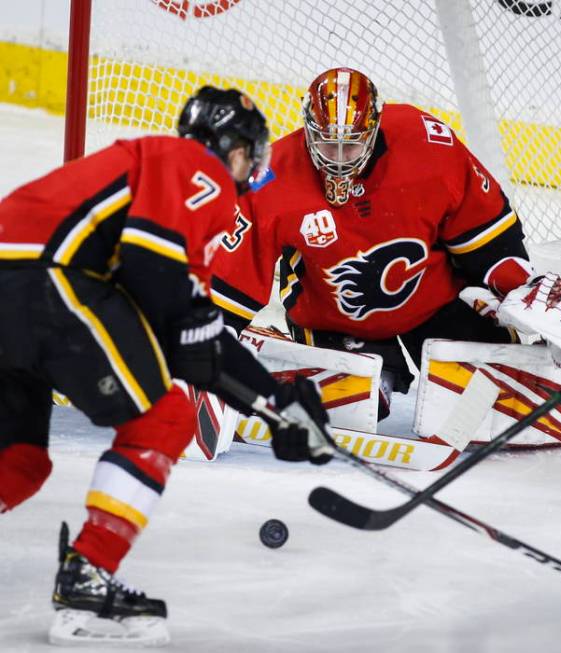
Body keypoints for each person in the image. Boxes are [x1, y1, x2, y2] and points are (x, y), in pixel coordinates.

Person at [0, 86, 330, 647]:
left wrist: (274, 406)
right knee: (166, 419)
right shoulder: (194, 168)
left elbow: (192, 337)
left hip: (21, 283)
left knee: (21, 462)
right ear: (231, 151)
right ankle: (89, 573)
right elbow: (165, 292)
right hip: (48, 282)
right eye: (251, 155)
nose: (253, 169)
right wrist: (275, 405)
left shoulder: (152, 177)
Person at [211, 67, 561, 419]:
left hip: (436, 303)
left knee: (493, 405)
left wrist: (520, 286)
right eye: (328, 146)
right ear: (308, 131)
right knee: (354, 409)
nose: (339, 161)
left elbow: (484, 230)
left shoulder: (425, 143)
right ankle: (278, 362)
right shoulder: (270, 177)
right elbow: (233, 277)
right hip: (335, 320)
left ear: (374, 129)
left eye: (352, 147)